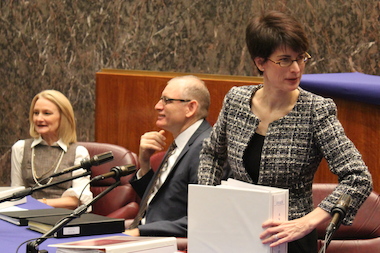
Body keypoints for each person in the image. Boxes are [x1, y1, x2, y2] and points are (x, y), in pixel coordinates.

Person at [197, 10, 372, 253]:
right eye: (285, 60)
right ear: (260, 62)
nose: (296, 69)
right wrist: (209, 202)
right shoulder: (236, 100)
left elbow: (358, 177)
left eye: (301, 58)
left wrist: (308, 221)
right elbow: (212, 154)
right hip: (235, 230)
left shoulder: (316, 110)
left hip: (291, 240)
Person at [124, 75, 211, 238]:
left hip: (164, 243)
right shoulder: (181, 143)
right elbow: (160, 202)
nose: (158, 106)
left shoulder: (205, 147)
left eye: (166, 100)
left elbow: (201, 219)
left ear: (190, 108)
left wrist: (139, 232)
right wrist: (144, 163)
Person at [11, 90, 93, 210]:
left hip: (62, 217)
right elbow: (15, 192)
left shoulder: (78, 152)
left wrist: (40, 203)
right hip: (26, 214)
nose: (39, 119)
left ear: (63, 117)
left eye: (47, 113)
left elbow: (80, 199)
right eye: (36, 113)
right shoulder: (20, 148)